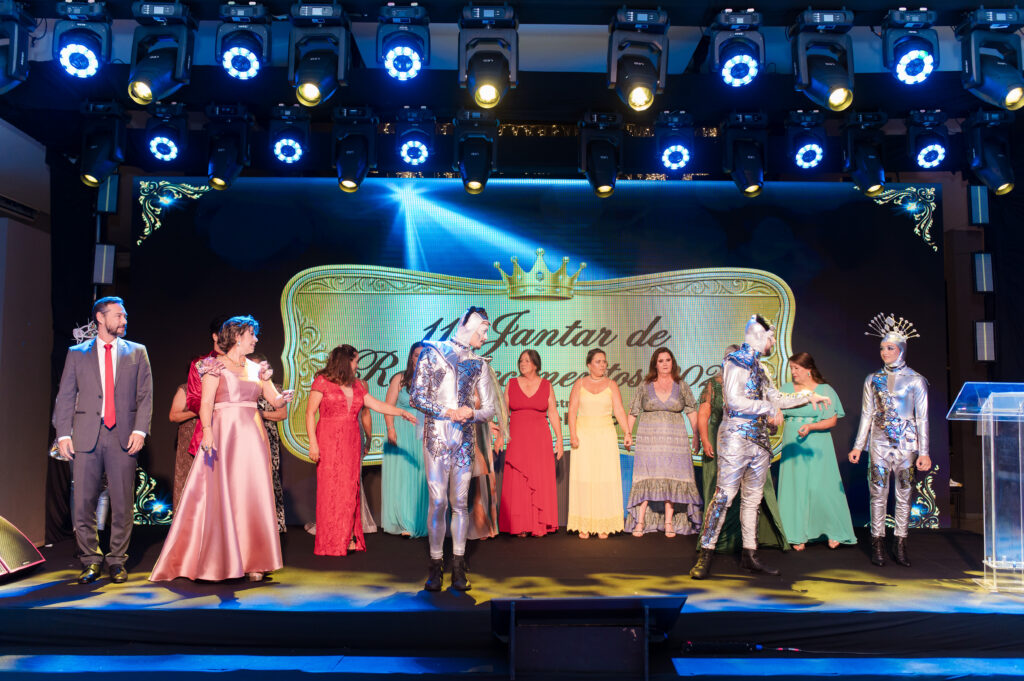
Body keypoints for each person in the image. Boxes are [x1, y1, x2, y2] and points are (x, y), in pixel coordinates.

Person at [150, 316, 291, 582]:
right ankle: (220, 559)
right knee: (222, 493)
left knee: (252, 494)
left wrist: (284, 398)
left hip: (252, 436)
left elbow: (274, 400)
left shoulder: (257, 368)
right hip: (224, 435)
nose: (256, 339)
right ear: (237, 336)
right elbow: (206, 403)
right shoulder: (214, 366)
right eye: (252, 334)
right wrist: (208, 431)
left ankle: (255, 561)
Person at [689, 315, 830, 580]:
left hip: (758, 442)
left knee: (753, 499)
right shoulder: (735, 361)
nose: (773, 342)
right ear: (758, 336)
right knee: (724, 497)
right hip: (735, 438)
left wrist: (807, 396)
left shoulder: (762, 368)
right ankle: (706, 554)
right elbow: (734, 401)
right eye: (771, 337)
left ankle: (750, 554)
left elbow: (777, 398)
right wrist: (768, 408)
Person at [53, 296, 153, 585]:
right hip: (86, 435)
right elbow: (66, 395)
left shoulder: (137, 352)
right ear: (100, 317)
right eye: (119, 316)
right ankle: (90, 559)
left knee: (122, 503)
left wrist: (140, 430)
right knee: (83, 502)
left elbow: (145, 395)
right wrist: (63, 434)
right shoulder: (77, 353)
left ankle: (117, 560)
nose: (124, 321)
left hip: (123, 436)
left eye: (125, 316)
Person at [410, 307, 500, 591]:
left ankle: (459, 567)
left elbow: (490, 409)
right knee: (438, 502)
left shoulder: (479, 364)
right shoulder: (432, 352)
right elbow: (416, 396)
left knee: (460, 503)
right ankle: (435, 565)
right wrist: (448, 411)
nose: (486, 337)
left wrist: (471, 413)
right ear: (469, 326)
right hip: (436, 437)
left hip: (464, 440)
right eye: (483, 331)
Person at [307, 344, 416, 557]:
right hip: (328, 440)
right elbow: (310, 413)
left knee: (349, 490)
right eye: (356, 361)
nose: (358, 365)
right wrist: (313, 443)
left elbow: (377, 405)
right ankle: (330, 539)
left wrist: (401, 412)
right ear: (346, 361)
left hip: (351, 441)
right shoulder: (322, 381)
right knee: (330, 490)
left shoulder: (357, 386)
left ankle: (347, 537)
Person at [848, 314, 931, 567]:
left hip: (907, 446)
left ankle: (901, 544)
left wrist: (924, 451)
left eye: (890, 348)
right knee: (878, 493)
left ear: (901, 350)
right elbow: (867, 414)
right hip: (879, 445)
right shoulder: (872, 379)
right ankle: (878, 544)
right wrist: (858, 446)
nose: (884, 352)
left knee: (904, 493)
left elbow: (922, 418)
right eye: (882, 348)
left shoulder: (916, 380)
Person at [694, 344, 789, 554]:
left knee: (752, 497)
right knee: (722, 496)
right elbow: (703, 413)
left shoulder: (755, 384)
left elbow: (767, 413)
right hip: (723, 444)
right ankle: (710, 547)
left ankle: (750, 547)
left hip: (753, 446)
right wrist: (704, 439)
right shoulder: (715, 384)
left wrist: (772, 422)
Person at [778, 352, 856, 550]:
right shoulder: (786, 389)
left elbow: (831, 420)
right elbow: (777, 412)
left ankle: (834, 530)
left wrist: (811, 427)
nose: (793, 372)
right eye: (792, 368)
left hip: (818, 443)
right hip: (792, 442)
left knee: (822, 486)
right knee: (794, 487)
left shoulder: (825, 390)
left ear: (809, 369)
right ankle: (796, 533)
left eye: (797, 368)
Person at [624, 347, 702, 537]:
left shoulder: (681, 385)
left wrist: (697, 435)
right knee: (647, 477)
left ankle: (669, 522)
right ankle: (640, 522)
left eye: (668, 360)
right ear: (655, 364)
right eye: (661, 361)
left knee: (671, 478)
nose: (665, 364)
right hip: (649, 441)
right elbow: (633, 411)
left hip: (675, 441)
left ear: (672, 362)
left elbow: (692, 411)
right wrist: (627, 433)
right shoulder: (645, 386)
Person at [566, 348, 632, 539]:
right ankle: (584, 524)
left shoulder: (612, 384)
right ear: (589, 365)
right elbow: (572, 410)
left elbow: (619, 410)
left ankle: (604, 523)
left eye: (604, 361)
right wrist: (573, 434)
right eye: (598, 361)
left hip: (605, 435)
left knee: (605, 477)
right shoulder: (579, 384)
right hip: (584, 435)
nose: (602, 365)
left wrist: (627, 431)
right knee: (584, 477)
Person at [499, 350, 563, 537]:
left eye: (527, 361)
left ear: (536, 364)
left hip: (540, 440)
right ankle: (520, 524)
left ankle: (538, 524)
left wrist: (559, 439)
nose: (523, 363)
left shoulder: (546, 385)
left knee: (538, 478)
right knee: (518, 480)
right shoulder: (511, 383)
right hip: (517, 438)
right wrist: (501, 435)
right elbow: (504, 412)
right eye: (521, 361)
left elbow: (553, 413)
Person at [381, 343, 429, 538]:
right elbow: (388, 406)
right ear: (411, 357)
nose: (420, 359)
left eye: (424, 355)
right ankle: (404, 521)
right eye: (417, 355)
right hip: (401, 432)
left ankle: (423, 521)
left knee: (422, 477)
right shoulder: (400, 379)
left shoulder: (434, 379)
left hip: (425, 433)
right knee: (403, 478)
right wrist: (390, 429)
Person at [251, 353, 288, 533]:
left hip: (269, 437)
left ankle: (276, 523)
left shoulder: (276, 388)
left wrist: (260, 414)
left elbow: (282, 414)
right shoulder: (246, 388)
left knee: (271, 478)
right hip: (249, 437)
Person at [185, 316, 230, 458]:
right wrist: (214, 408)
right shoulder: (200, 363)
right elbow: (193, 399)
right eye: (225, 333)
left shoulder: (242, 364)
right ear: (215, 336)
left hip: (237, 426)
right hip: (210, 424)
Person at [167, 384, 197, 510]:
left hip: (213, 443)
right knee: (187, 483)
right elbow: (173, 416)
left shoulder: (219, 389)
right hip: (189, 444)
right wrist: (197, 411)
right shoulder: (187, 389)